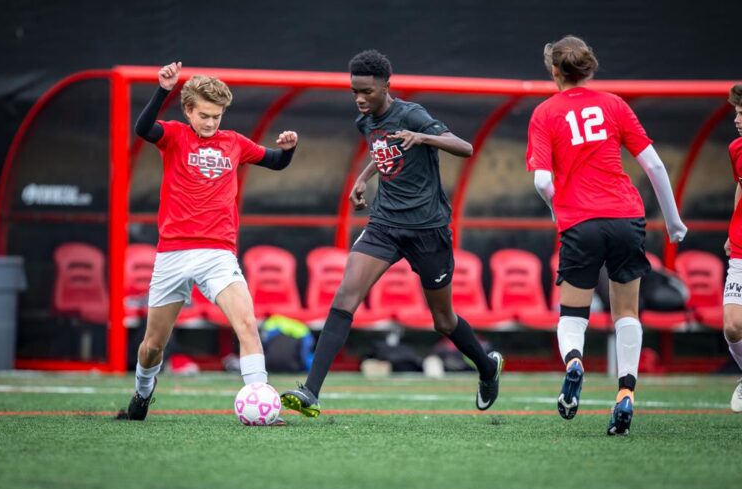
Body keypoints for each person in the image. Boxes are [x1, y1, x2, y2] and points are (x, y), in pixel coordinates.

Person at [281, 50, 503, 417]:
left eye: (366, 91)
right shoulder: (364, 121)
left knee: (443, 321)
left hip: (428, 229)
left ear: (386, 84)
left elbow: (465, 148)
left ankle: (486, 366)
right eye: (354, 91)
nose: (359, 98)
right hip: (384, 225)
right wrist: (362, 178)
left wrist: (423, 137)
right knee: (344, 299)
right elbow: (382, 148)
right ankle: (311, 392)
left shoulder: (413, 114)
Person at [117, 62, 298, 420]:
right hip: (173, 254)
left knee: (247, 324)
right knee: (153, 346)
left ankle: (263, 406)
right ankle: (141, 395)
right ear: (188, 110)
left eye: (217, 116)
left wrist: (288, 149)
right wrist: (163, 90)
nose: (211, 123)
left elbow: (276, 162)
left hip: (218, 253)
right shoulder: (173, 135)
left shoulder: (234, 143)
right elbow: (142, 129)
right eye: (204, 115)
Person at [526, 36, 687, 435]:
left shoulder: (545, 113)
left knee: (573, 315)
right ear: (590, 68)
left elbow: (543, 181)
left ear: (553, 71)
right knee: (627, 313)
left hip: (580, 222)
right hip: (626, 216)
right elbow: (654, 166)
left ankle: (576, 362)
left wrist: (557, 213)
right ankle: (626, 394)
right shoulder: (614, 104)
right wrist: (674, 222)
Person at [723, 84, 742, 413]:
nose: (737, 119)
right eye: (737, 112)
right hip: (740, 246)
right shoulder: (736, 149)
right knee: (732, 325)